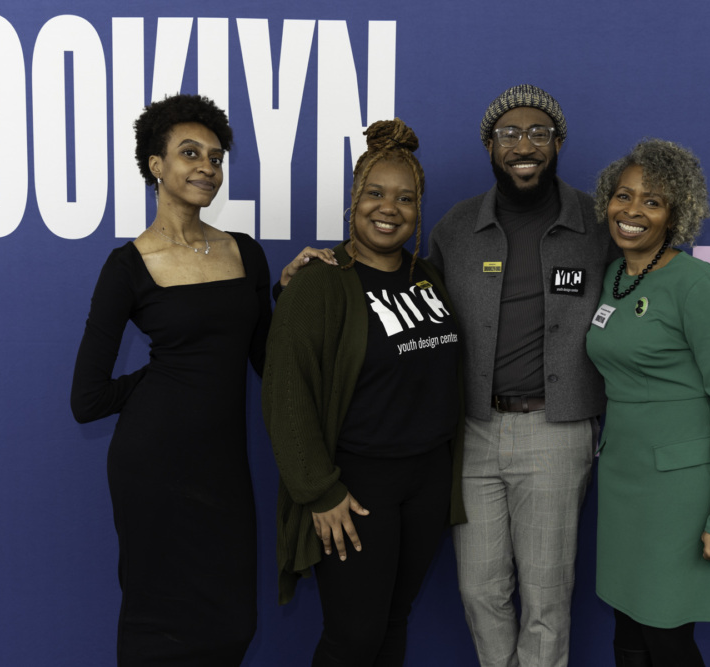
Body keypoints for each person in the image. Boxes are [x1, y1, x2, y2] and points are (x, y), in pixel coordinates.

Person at [427, 85, 710, 667]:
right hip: (473, 432)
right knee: (480, 590)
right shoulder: (453, 229)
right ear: (488, 144)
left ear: (559, 144)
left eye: (539, 133)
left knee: (547, 596)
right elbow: (412, 300)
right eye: (509, 133)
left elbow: (656, 277)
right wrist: (328, 270)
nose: (524, 145)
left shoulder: (597, 226)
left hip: (557, 430)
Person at [70, 93, 330, 665]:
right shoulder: (127, 266)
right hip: (152, 469)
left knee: (232, 622)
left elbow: (264, 357)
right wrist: (163, 380)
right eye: (190, 153)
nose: (207, 167)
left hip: (222, 466)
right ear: (155, 165)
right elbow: (86, 400)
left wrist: (288, 295)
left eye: (215, 157)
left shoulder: (247, 254)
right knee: (157, 625)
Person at [262, 118, 466, 667]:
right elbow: (287, 394)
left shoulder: (428, 277)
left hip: (425, 479)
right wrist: (319, 491)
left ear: (419, 210)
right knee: (353, 637)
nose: (389, 208)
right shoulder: (320, 282)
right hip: (355, 487)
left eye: (406, 198)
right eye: (376, 193)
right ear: (354, 200)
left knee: (392, 623)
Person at [585, 139, 710, 666]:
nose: (632, 211)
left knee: (667, 636)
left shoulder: (696, 283)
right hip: (624, 480)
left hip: (678, 493)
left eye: (652, 202)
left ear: (676, 215)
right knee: (627, 629)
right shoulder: (613, 276)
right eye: (624, 196)